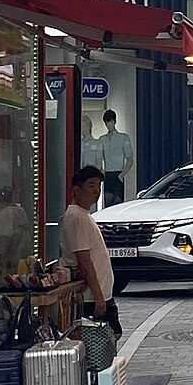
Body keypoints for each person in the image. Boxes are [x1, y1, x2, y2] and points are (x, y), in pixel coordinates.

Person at [61, 163, 121, 334]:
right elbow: (84, 259)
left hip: (100, 292)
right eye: (91, 186)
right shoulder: (76, 217)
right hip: (91, 296)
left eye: (99, 187)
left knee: (110, 336)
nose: (96, 191)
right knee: (101, 340)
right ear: (76, 190)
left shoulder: (84, 215)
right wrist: (98, 296)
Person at [94, 108, 131, 206]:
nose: (108, 124)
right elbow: (99, 158)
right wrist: (101, 171)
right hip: (108, 174)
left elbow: (130, 159)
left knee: (118, 202)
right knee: (107, 202)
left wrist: (122, 175)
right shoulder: (102, 139)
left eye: (110, 121)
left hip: (118, 173)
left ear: (114, 121)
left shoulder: (123, 138)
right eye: (106, 122)